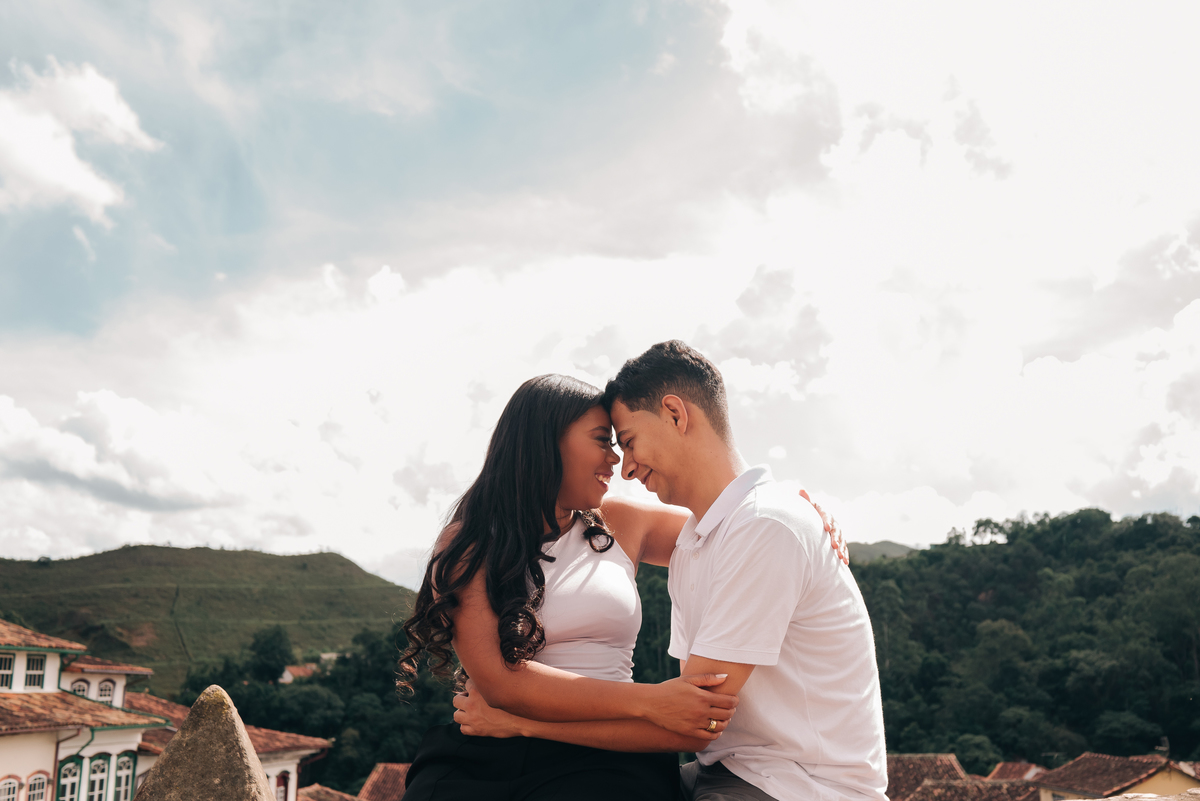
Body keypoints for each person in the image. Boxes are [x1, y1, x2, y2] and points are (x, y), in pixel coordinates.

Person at [398, 374, 739, 801]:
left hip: (608, 759)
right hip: (487, 750)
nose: (616, 460)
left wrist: (793, 504)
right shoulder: (468, 542)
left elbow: (735, 530)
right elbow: (501, 682)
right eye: (602, 440)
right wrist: (650, 702)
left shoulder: (622, 521)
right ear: (545, 443)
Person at [603, 340, 888, 801]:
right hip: (730, 770)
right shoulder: (700, 538)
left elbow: (695, 719)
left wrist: (522, 723)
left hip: (801, 786)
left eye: (629, 442)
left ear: (675, 414)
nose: (627, 470)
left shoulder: (767, 525)